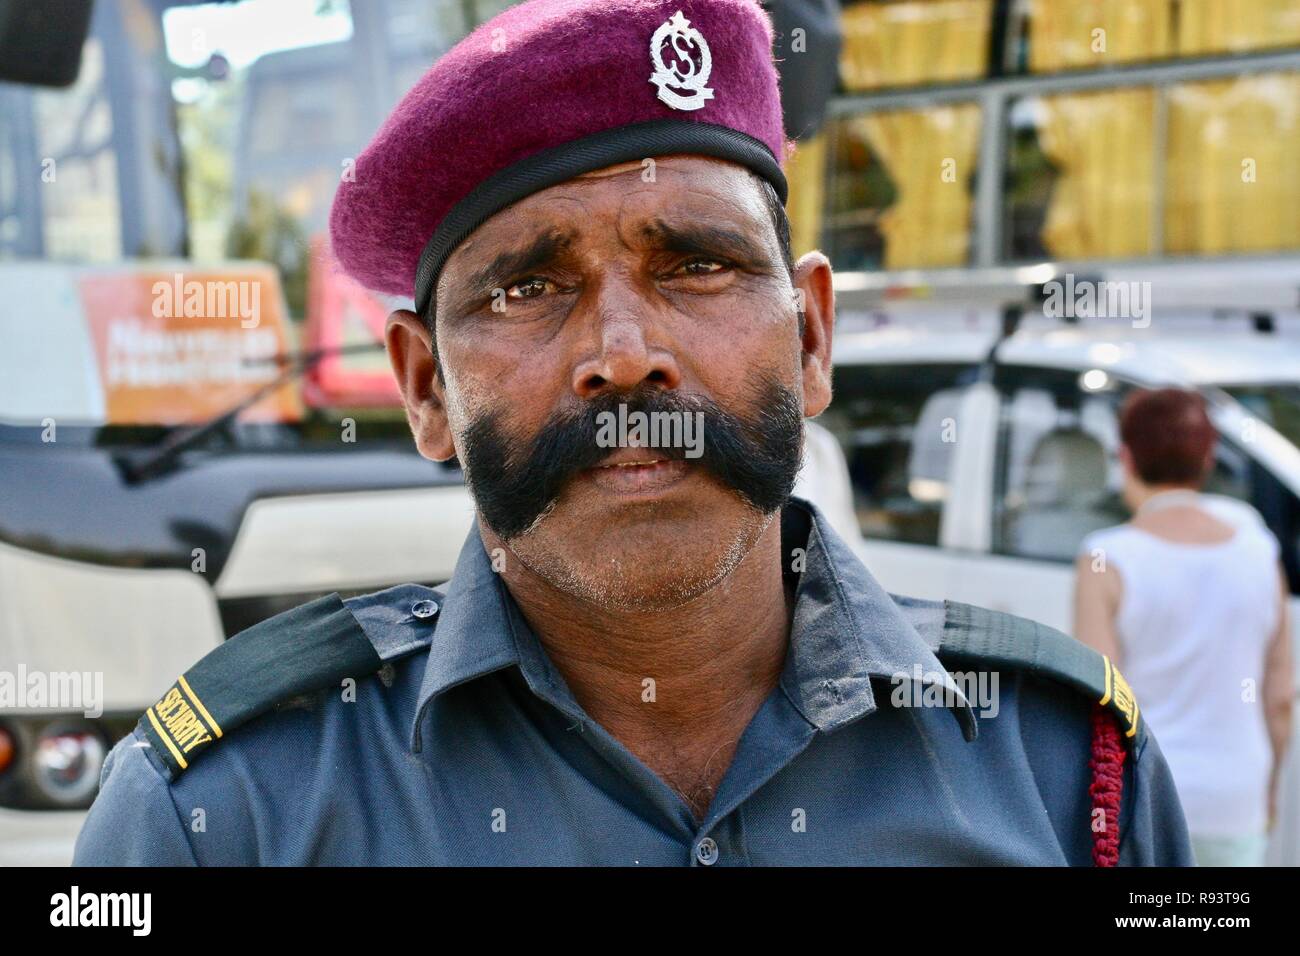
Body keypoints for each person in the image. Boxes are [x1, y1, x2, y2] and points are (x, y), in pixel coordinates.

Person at [74, 0, 1192, 866]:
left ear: (809, 336)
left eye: (697, 263)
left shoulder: (1068, 773)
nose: (622, 352)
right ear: (423, 386)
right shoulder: (224, 816)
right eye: (527, 287)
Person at [1074, 388, 1294, 866]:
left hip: (1150, 795)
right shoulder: (1257, 545)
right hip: (1238, 794)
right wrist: (1271, 783)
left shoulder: (1105, 558)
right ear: (1209, 457)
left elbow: (1101, 699)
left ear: (1126, 456)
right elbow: (1280, 697)